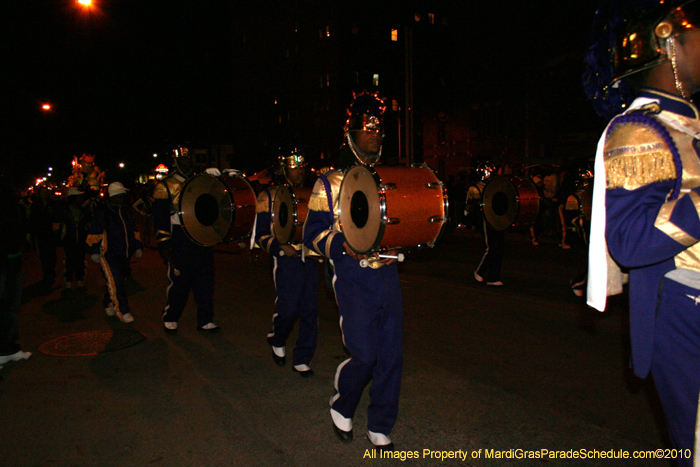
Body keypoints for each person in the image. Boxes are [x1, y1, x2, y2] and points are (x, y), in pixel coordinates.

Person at [584, 1, 700, 464]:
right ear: (669, 41)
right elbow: (629, 241)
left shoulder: (688, 123)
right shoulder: (639, 129)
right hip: (685, 310)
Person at [304, 92, 403, 451]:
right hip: (351, 274)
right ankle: (342, 402)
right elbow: (312, 234)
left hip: (388, 272)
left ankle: (380, 422)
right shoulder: (328, 183)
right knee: (364, 353)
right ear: (350, 136)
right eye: (367, 130)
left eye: (379, 131)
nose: (375, 135)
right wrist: (338, 244)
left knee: (391, 353)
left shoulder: (390, 181)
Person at [252, 144, 319, 377]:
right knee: (288, 309)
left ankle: (303, 357)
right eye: (294, 167)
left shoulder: (313, 193)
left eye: (302, 166)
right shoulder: (267, 196)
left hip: (309, 257)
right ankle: (277, 337)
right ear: (283, 169)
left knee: (310, 311)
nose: (300, 171)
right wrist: (281, 248)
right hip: (286, 259)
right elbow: (260, 235)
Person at [151, 147, 224, 334]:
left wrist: (215, 181)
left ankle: (205, 320)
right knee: (180, 280)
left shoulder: (198, 181)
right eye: (182, 160)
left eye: (189, 159)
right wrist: (164, 243)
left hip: (201, 235)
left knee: (205, 280)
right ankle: (171, 317)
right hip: (180, 237)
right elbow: (159, 217)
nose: (187, 162)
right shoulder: (165, 185)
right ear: (175, 162)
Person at [86, 182, 143, 324]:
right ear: (115, 196)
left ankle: (108, 303)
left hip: (124, 254)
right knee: (116, 283)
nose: (124, 197)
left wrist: (138, 246)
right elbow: (95, 231)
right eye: (122, 194)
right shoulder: (104, 212)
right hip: (109, 254)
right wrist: (94, 250)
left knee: (117, 282)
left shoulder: (125, 211)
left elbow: (133, 230)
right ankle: (122, 311)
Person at [0, 182, 31, 368]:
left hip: (13, 259)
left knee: (11, 306)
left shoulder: (13, 207)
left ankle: (8, 349)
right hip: (3, 260)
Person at [28, 186, 60, 285]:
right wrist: (30, 232)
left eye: (45, 192)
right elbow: (32, 219)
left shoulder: (52, 204)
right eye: (41, 192)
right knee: (43, 253)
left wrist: (57, 224)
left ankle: (52, 269)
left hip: (51, 232)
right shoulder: (36, 205)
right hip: (41, 232)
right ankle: (46, 272)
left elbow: (57, 215)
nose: (43, 194)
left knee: (52, 252)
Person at [57, 187, 89, 289]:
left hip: (81, 239)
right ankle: (68, 279)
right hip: (69, 239)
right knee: (69, 260)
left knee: (80, 259)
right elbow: (59, 225)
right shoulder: (64, 211)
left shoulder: (83, 211)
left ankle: (79, 278)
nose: (80, 199)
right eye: (78, 197)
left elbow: (88, 224)